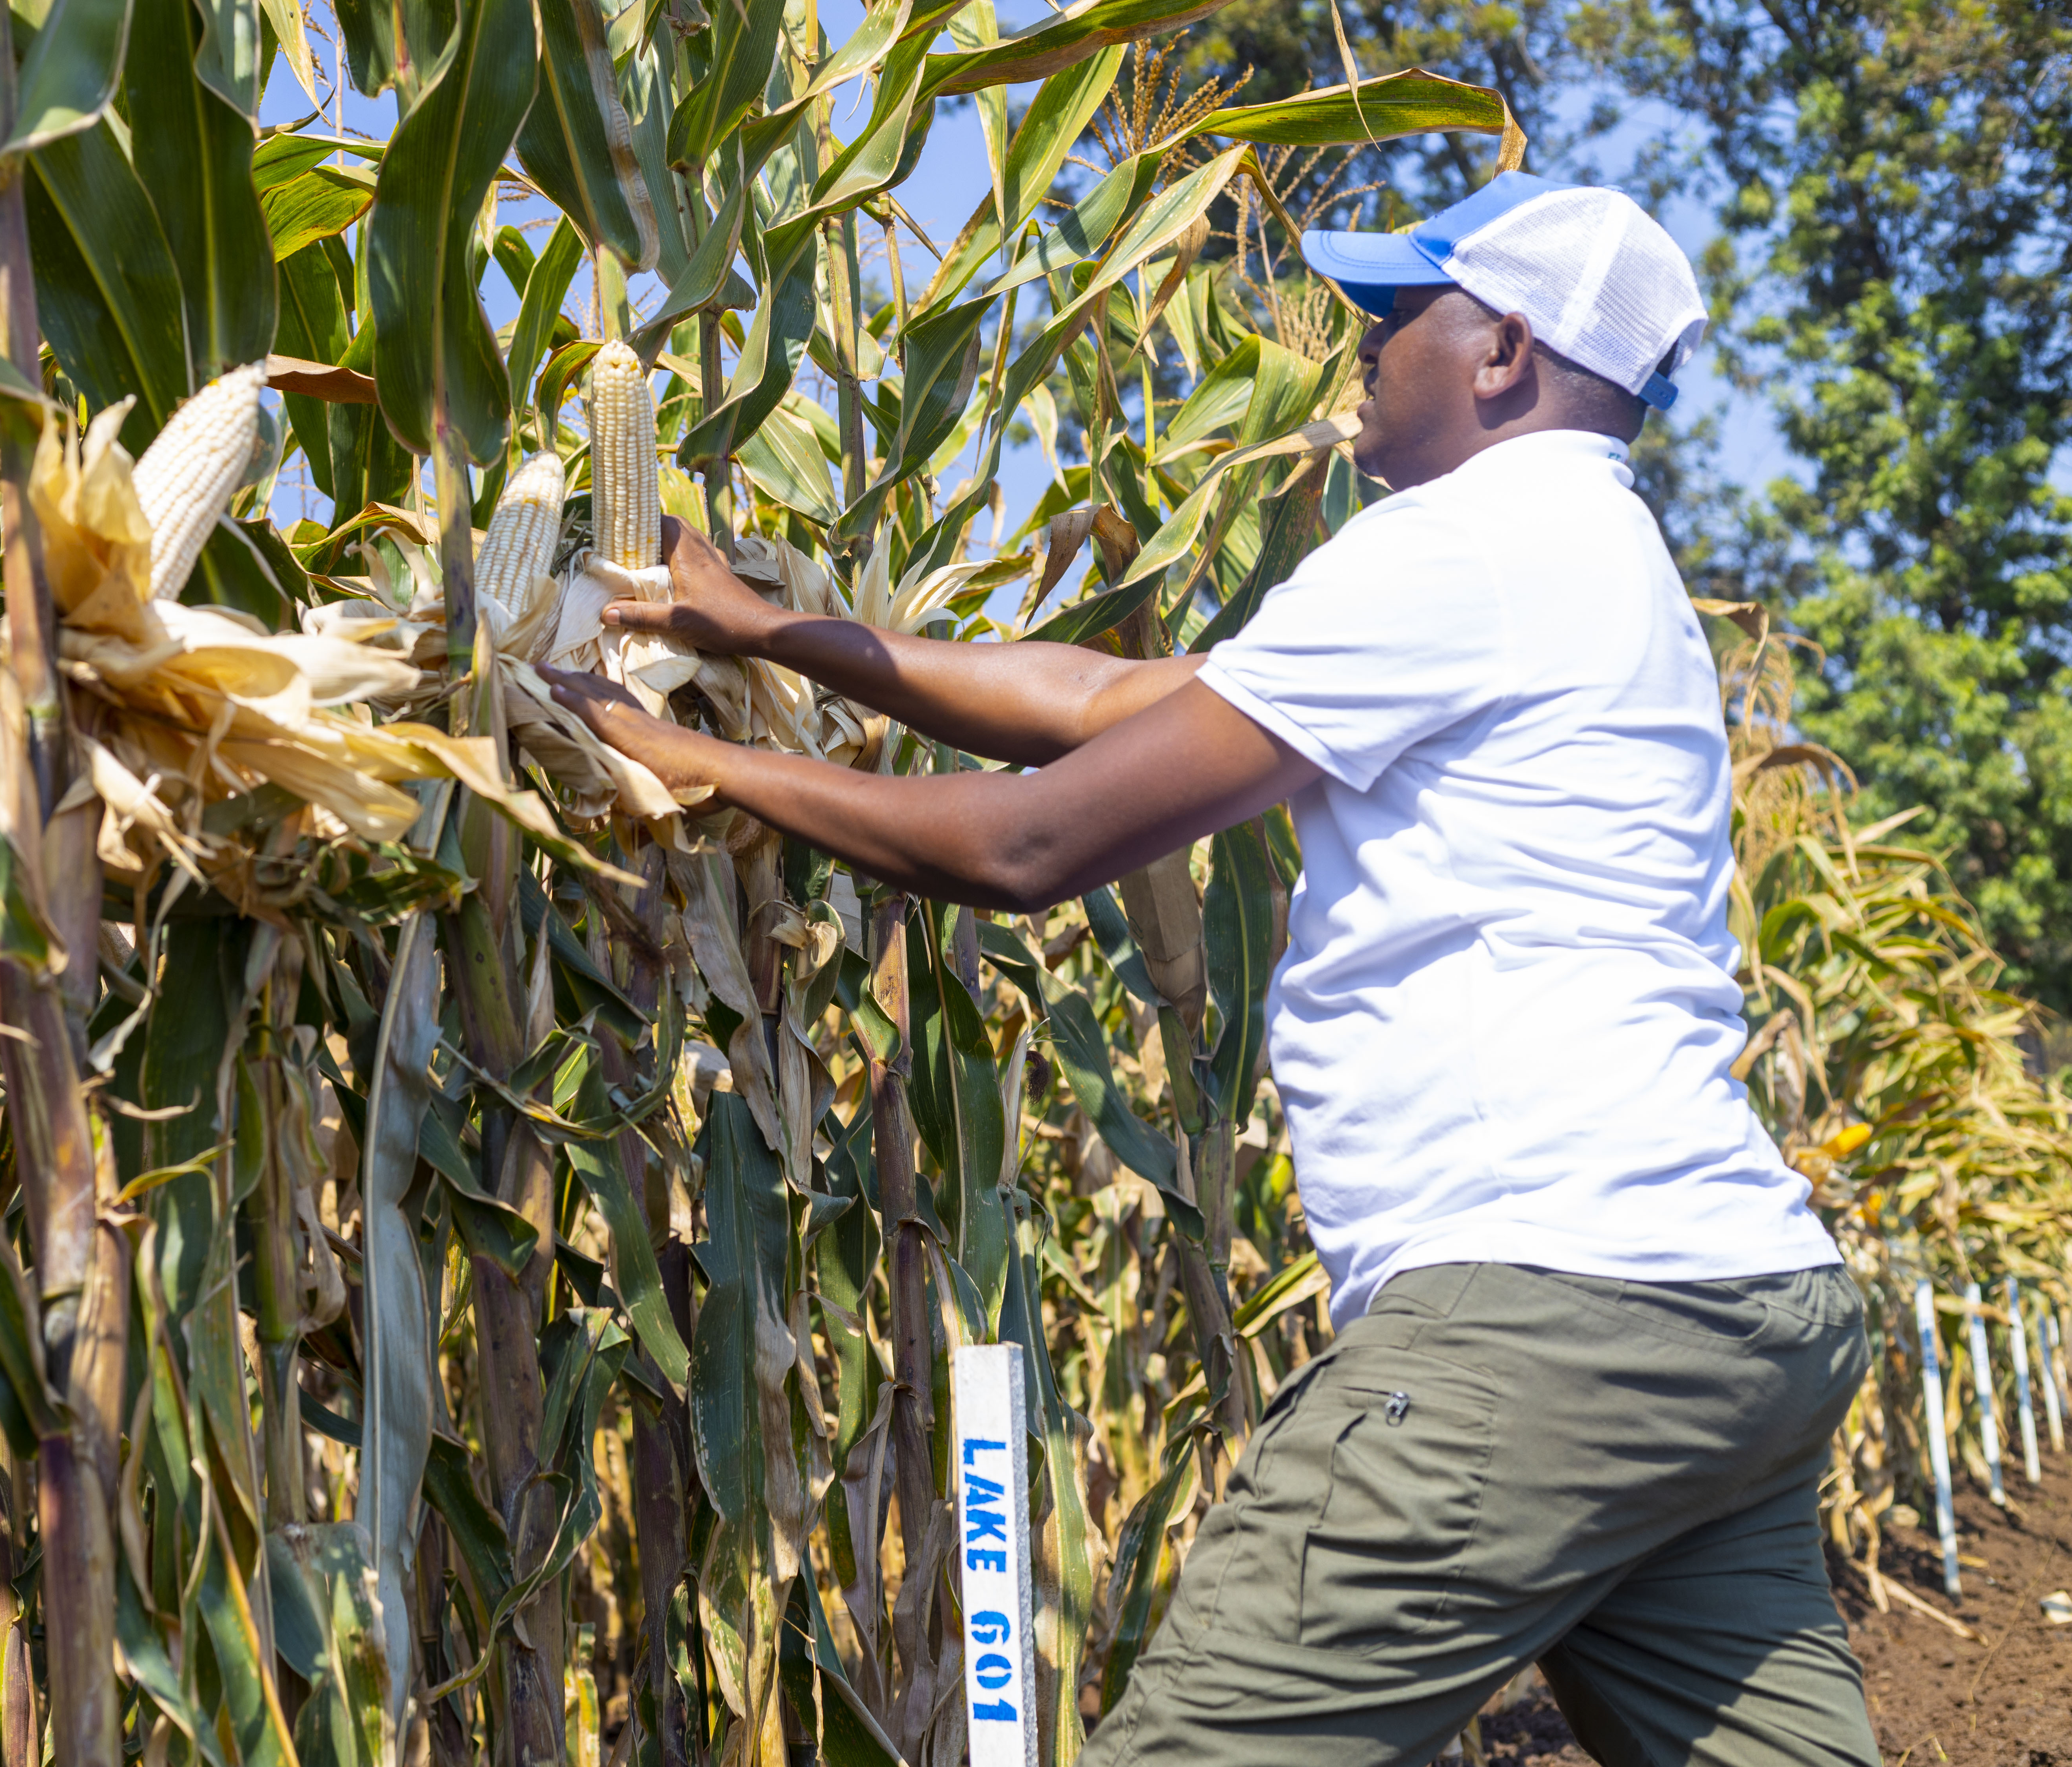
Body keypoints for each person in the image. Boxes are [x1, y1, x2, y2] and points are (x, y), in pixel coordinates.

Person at [541, 171, 1876, 1765]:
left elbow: (1030, 851)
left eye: (1395, 317)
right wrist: (772, 637)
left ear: (1504, 353)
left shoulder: (1466, 548)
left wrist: (694, 762)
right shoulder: (1598, 562)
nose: (1356, 348)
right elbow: (1109, 697)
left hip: (1540, 1315)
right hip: (1739, 1313)